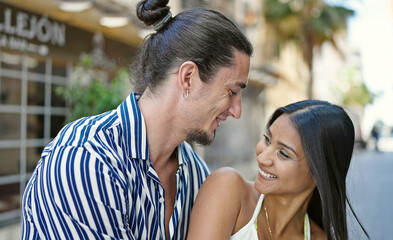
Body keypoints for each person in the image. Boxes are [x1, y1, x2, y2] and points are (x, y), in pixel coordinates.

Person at [21, 0, 253, 239]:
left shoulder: (196, 173)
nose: (237, 111)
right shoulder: (85, 159)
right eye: (232, 92)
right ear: (188, 78)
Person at [187, 100, 369, 240]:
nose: (262, 157)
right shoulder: (228, 189)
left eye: (283, 153)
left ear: (318, 174)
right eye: (267, 139)